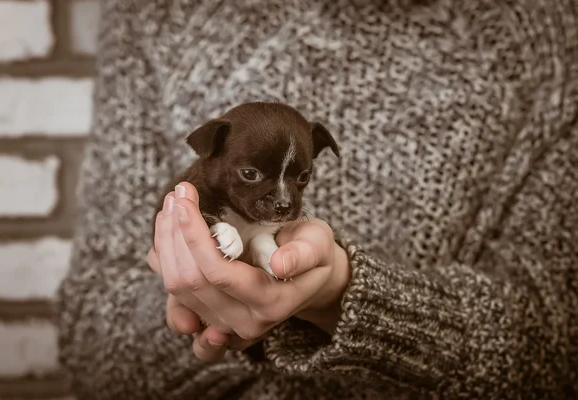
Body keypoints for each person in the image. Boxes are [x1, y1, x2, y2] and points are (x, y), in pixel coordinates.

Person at [56, 0, 578, 398]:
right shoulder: (157, 12)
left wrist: (345, 296)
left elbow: (556, 349)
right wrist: (204, 304)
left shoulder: (547, 33)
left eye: (300, 181)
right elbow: (92, 341)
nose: (284, 200)